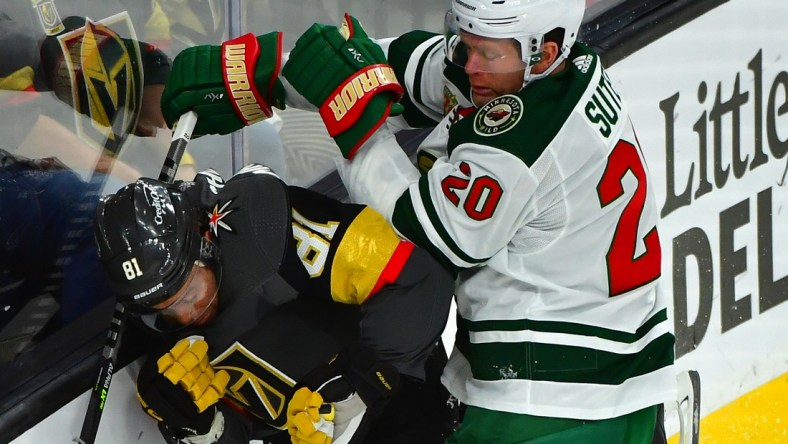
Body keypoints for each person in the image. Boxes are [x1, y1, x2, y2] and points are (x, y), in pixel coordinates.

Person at [157, 0, 678, 442]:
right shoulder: (535, 68)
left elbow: (431, 228)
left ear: (544, 51)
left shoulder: (523, 140)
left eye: (487, 53)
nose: (470, 65)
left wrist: (352, 119)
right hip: (626, 378)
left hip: (551, 407)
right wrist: (266, 78)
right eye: (464, 40)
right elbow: (387, 70)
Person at [93, 164, 458, 443]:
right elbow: (246, 428)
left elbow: (417, 277)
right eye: (167, 313)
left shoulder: (266, 227)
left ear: (206, 240)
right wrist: (203, 426)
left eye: (189, 294)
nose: (187, 315)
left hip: (412, 415)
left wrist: (361, 380)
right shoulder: (165, 337)